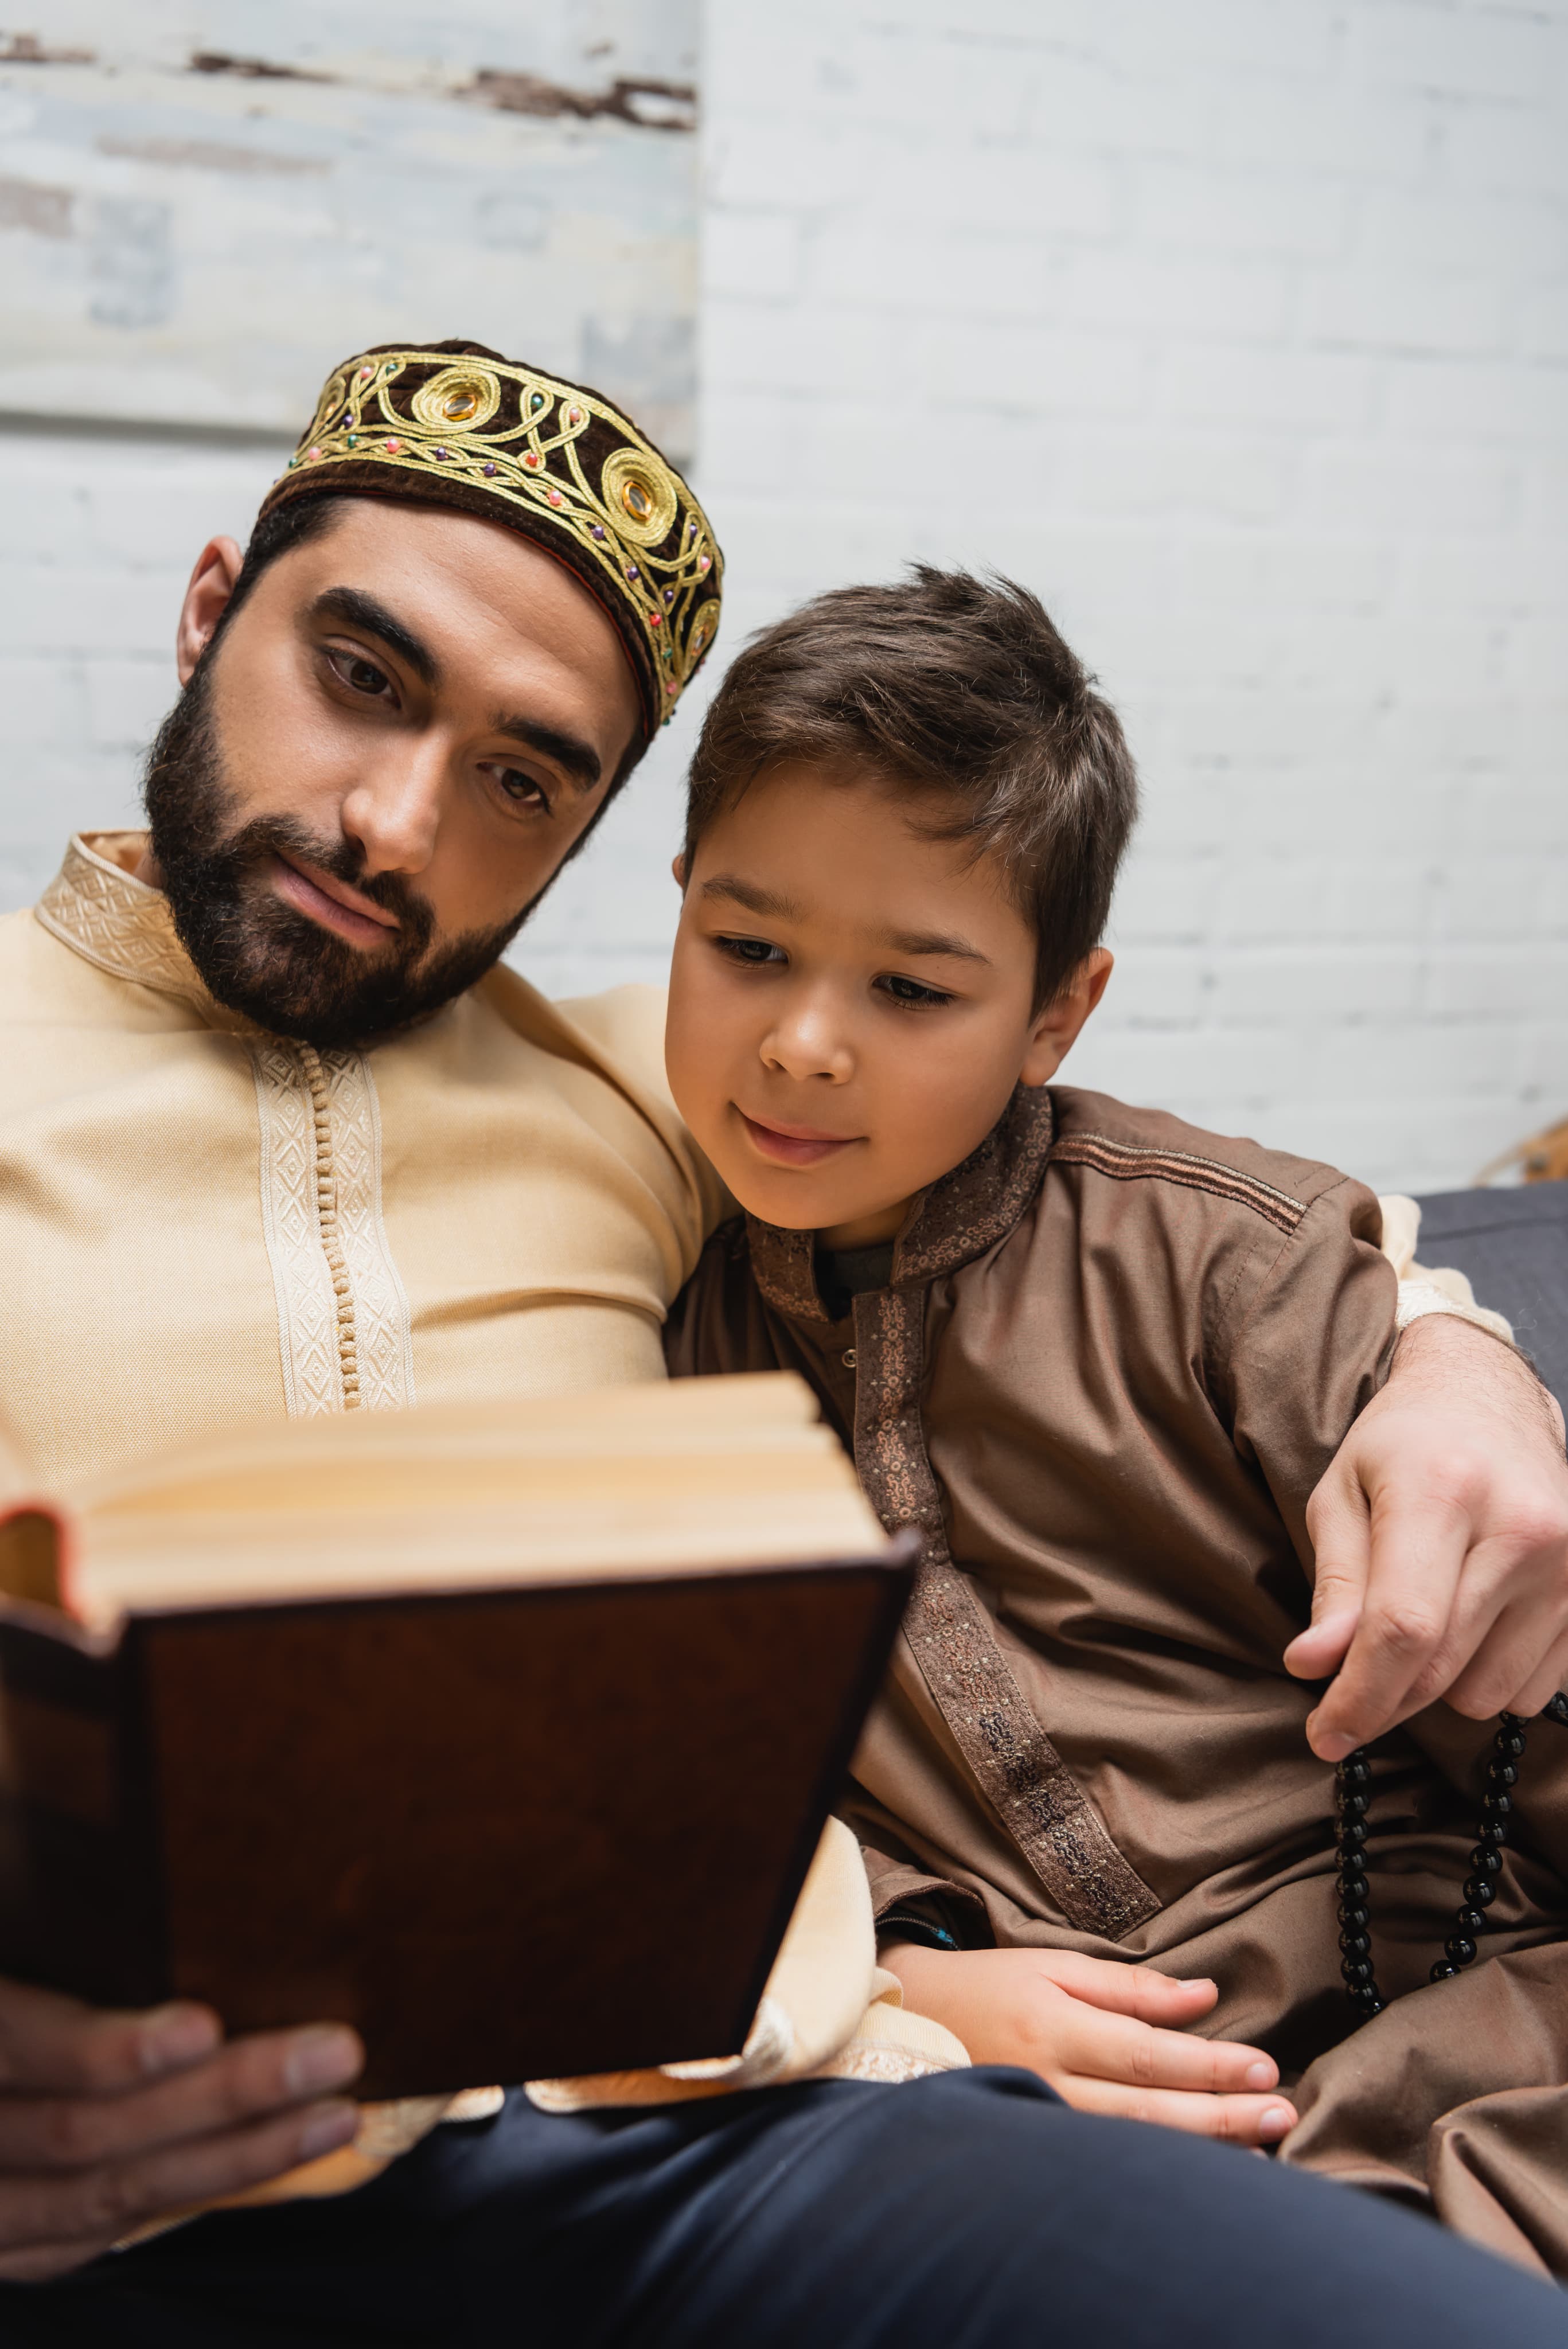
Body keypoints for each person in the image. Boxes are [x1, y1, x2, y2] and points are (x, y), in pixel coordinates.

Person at [1, 349, 1566, 2342]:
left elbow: (1116, 1176)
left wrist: (1460, 1361)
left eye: (520, 779)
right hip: (154, 2173)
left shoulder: (650, 1103)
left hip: (744, 2117)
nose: (394, 824)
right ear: (214, 608)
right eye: (360, 676)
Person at [661, 565, 1568, 2276]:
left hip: (1455, 2034)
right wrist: (898, 1984)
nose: (799, 1046)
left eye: (913, 990)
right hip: (1007, 2100)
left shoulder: (1224, 1262)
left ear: (1054, 1015)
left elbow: (1527, 1689)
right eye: (749, 947)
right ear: (682, 906)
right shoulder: (657, 1318)